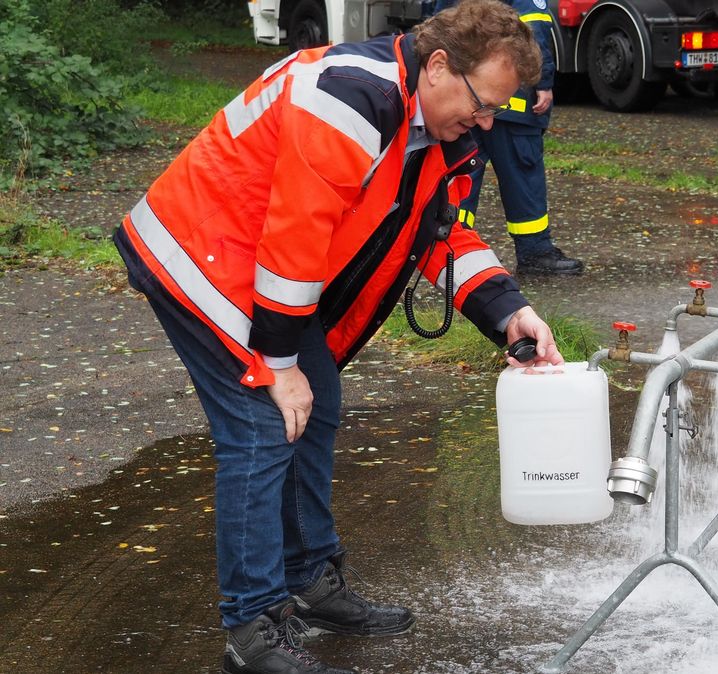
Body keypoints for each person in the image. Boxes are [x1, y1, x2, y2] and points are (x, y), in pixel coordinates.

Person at [112, 2, 563, 672]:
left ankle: (310, 579)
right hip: (201, 256)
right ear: (439, 66)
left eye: (499, 109)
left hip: (258, 270)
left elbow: (441, 235)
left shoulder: (438, 132)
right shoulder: (352, 93)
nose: (488, 122)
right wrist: (277, 361)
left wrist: (509, 312)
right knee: (263, 428)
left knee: (315, 407)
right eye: (483, 103)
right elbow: (295, 236)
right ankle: (254, 625)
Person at [435, 0, 583, 275]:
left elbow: (439, 25)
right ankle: (535, 252)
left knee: (460, 175)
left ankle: (448, 245)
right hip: (512, 102)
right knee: (523, 178)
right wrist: (544, 81)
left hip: (468, 98)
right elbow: (533, 29)